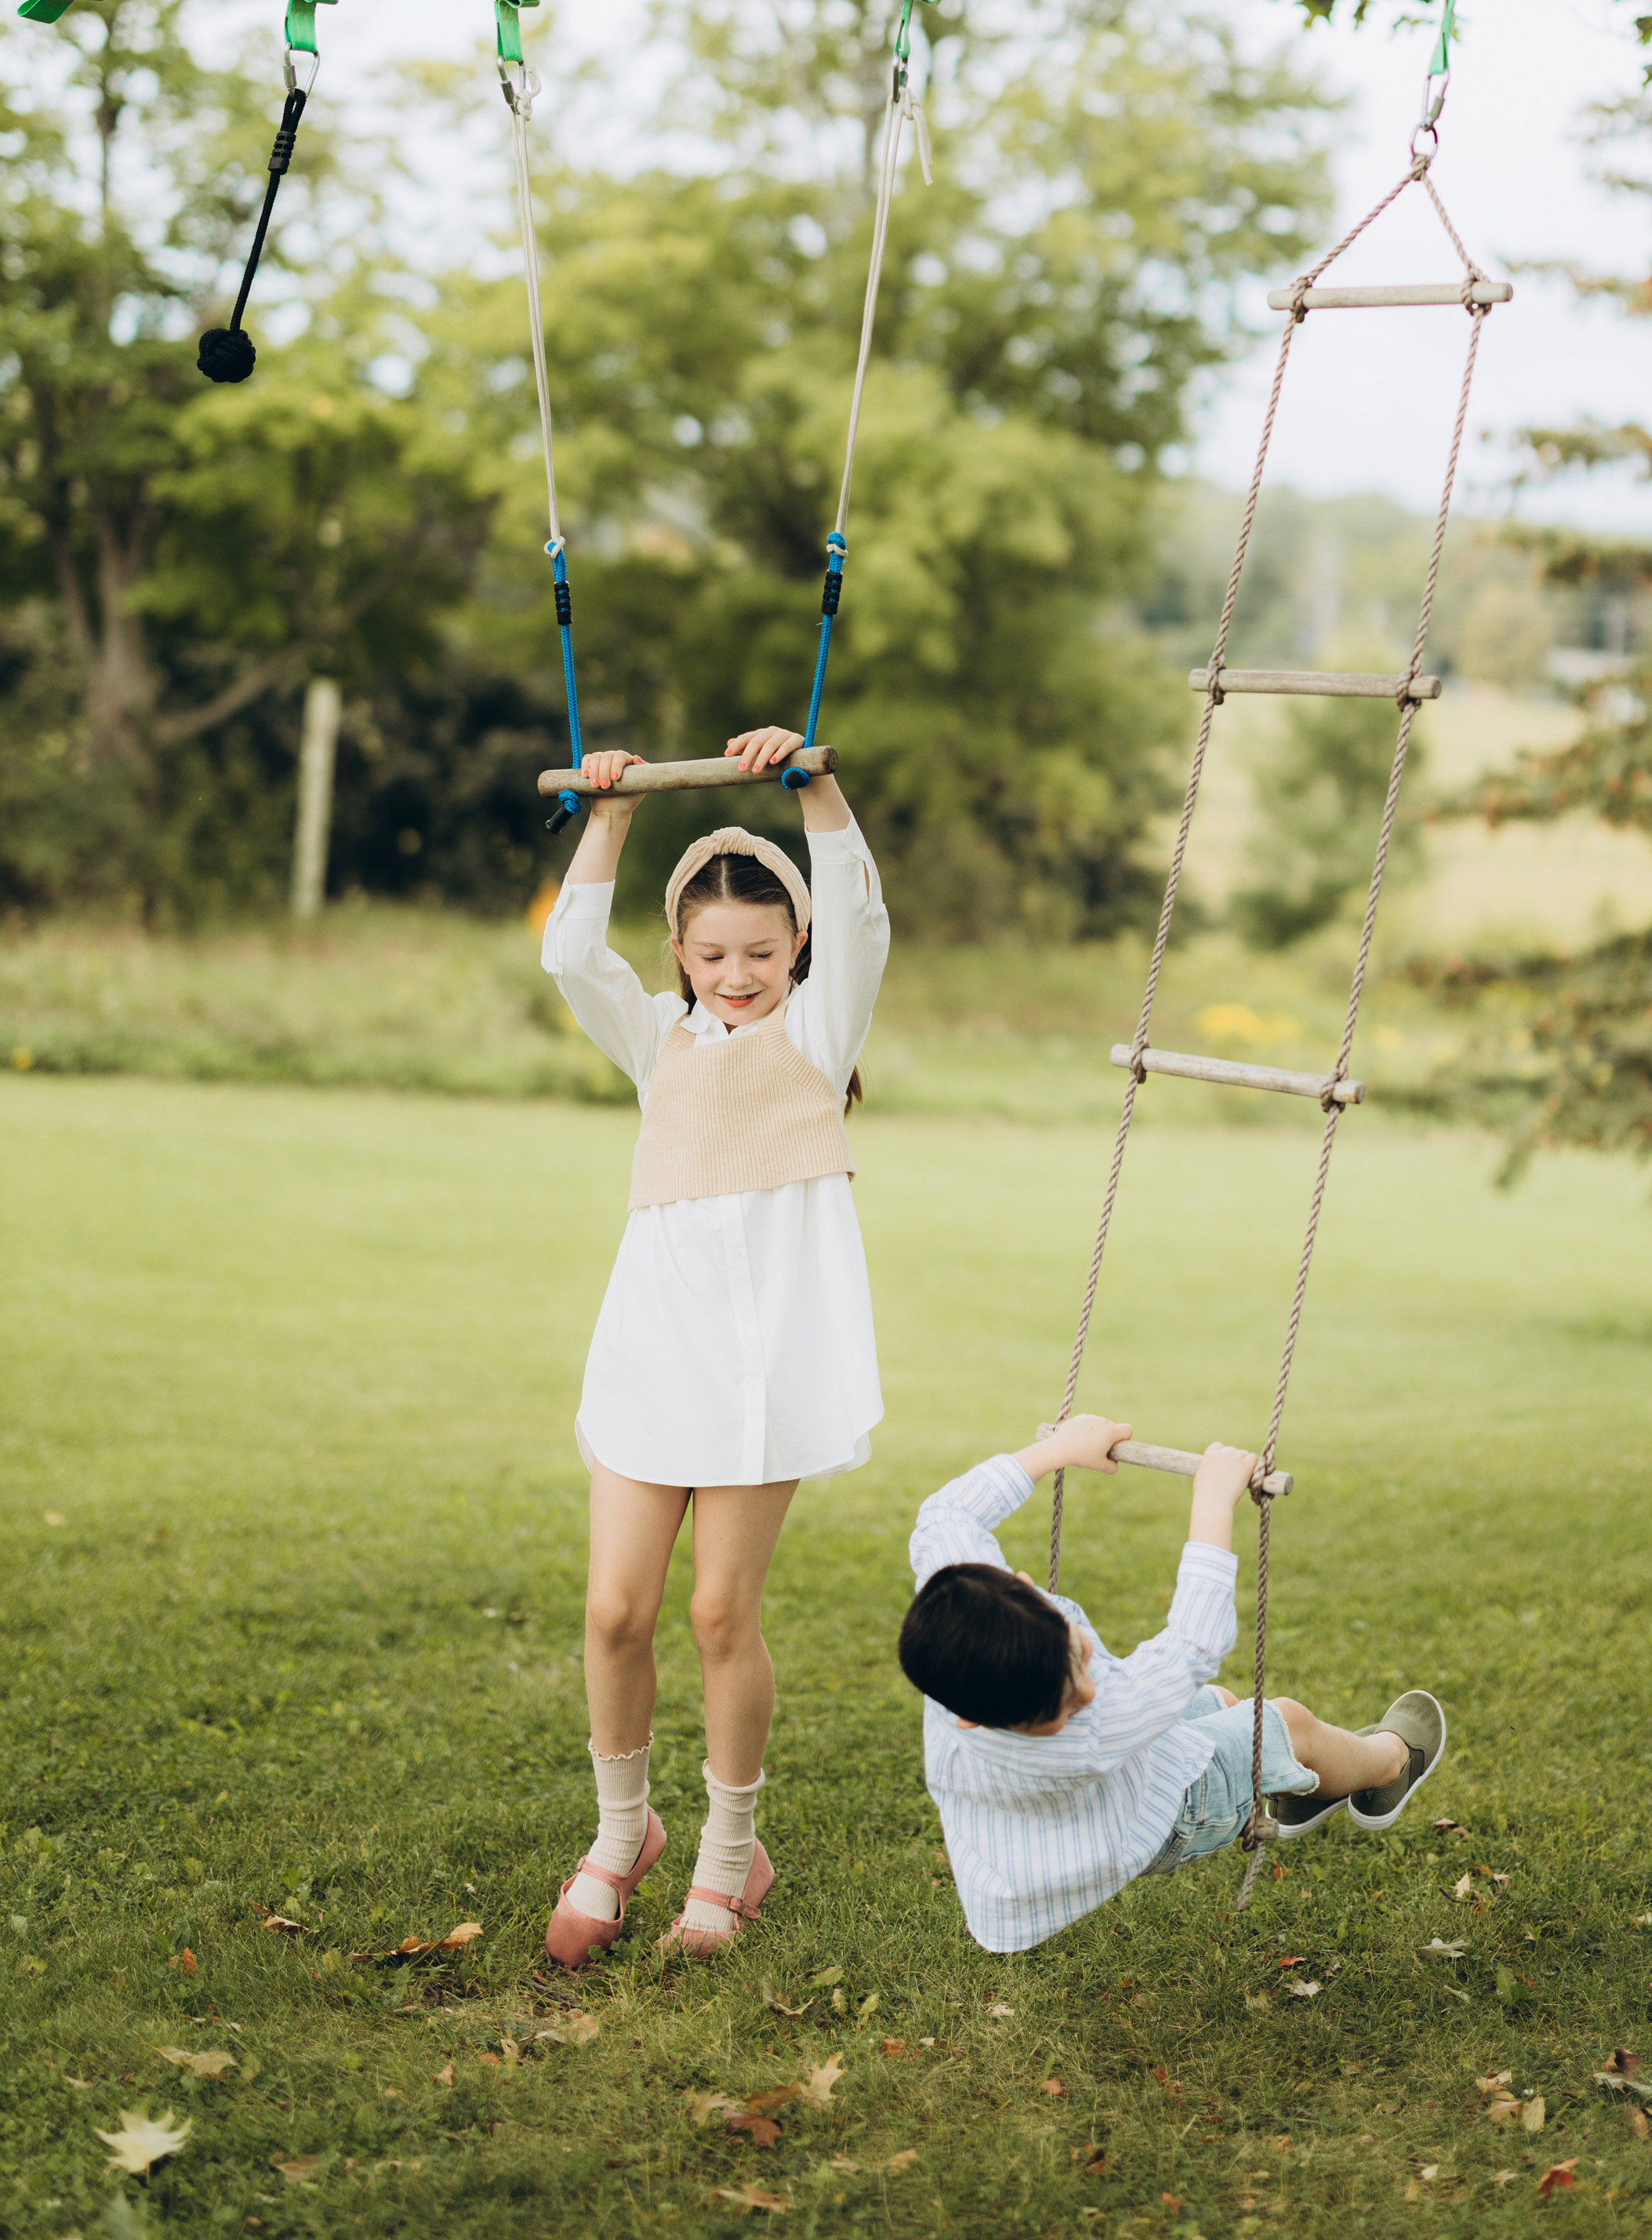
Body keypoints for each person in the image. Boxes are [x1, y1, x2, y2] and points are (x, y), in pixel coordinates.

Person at [538, 725, 889, 1965]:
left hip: (766, 1373)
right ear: (680, 955)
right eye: (712, 953)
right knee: (615, 1608)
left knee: (719, 1615)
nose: (737, 973)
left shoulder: (818, 1036)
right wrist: (614, 813)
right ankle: (621, 1833)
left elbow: (861, 914)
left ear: (794, 950)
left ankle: (732, 1858)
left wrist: (817, 787)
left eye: (762, 951)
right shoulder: (657, 1043)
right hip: (654, 1357)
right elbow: (570, 951)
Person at [899, 1415, 1447, 1953]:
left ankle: (1298, 1786)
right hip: (1161, 1818)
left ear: (1023, 1587)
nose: (1087, 1694)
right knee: (1284, 1723)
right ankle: (1390, 1764)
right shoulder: (1100, 1720)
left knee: (1223, 1708)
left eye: (1082, 1662)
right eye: (1062, 1708)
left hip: (1058, 1825)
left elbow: (946, 1514)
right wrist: (1212, 1503)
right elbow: (1193, 1644)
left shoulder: (956, 1627)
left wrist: (1059, 1449)